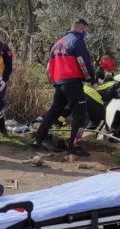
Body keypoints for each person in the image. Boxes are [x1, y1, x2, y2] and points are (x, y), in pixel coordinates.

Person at [34, 18, 96, 157]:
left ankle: (38, 138)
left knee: (55, 110)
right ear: (81, 27)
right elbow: (83, 62)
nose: (86, 32)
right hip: (72, 81)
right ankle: (74, 146)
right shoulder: (77, 41)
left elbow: (49, 66)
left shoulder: (58, 43)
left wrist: (54, 81)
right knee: (80, 114)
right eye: (85, 29)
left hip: (59, 82)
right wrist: (92, 80)